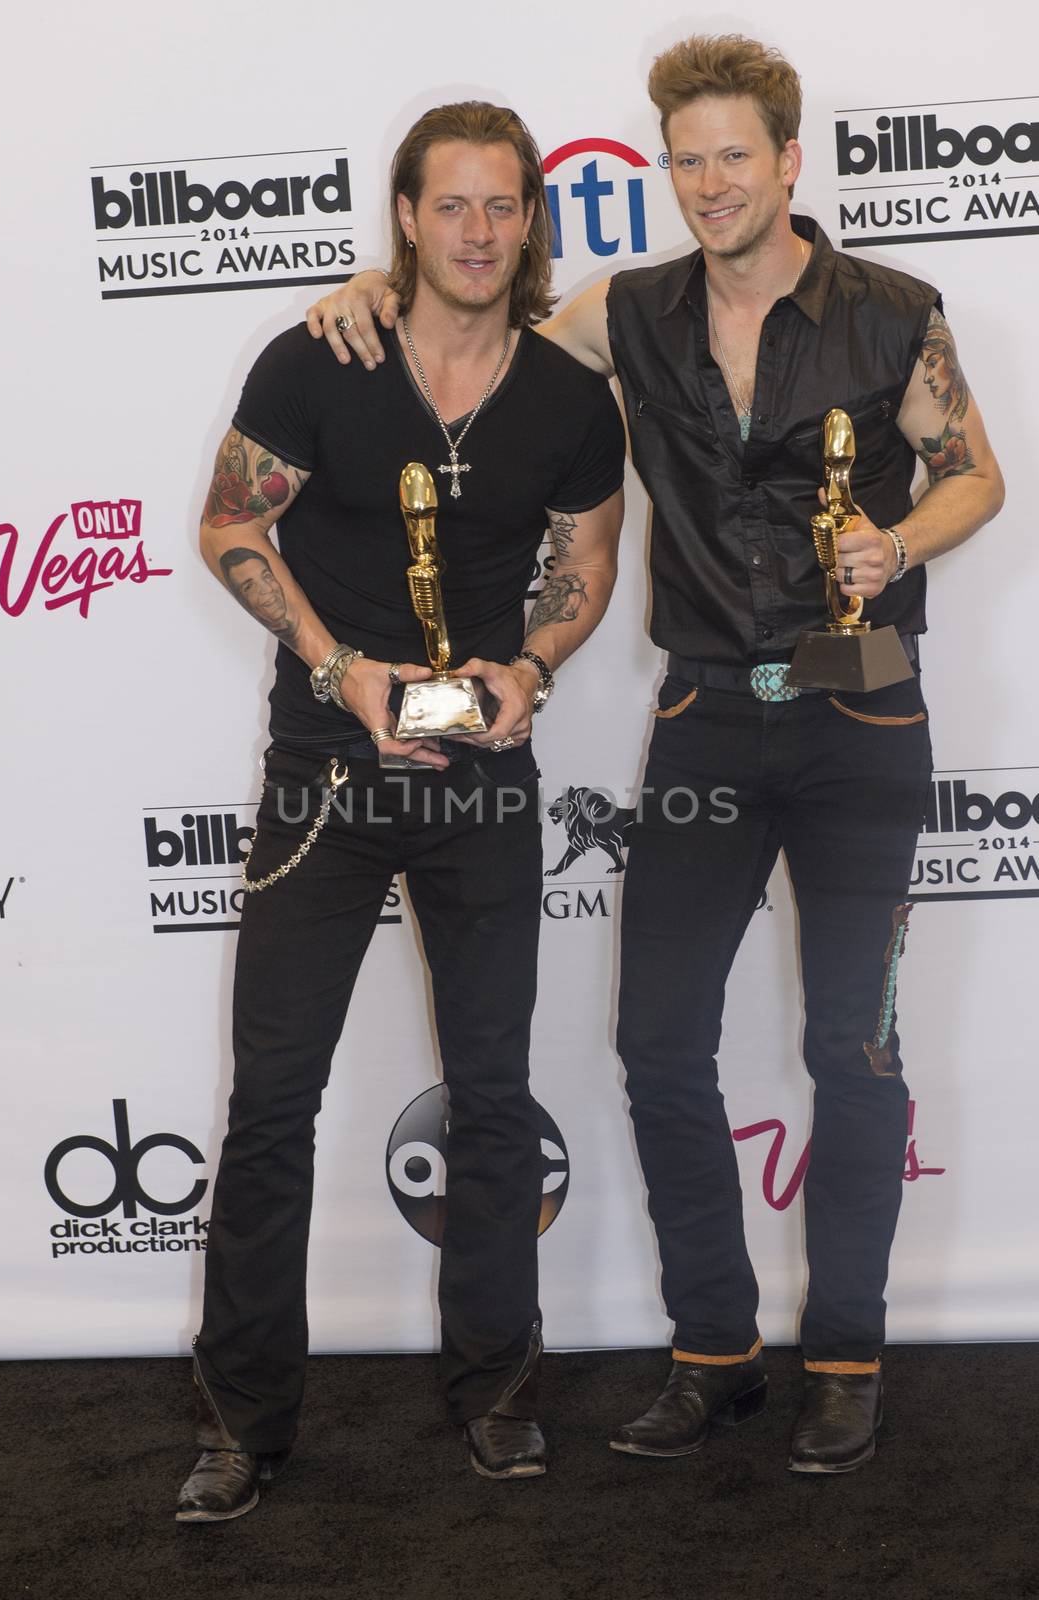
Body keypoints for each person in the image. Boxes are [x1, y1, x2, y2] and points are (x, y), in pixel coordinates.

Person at [308, 34, 1004, 1474]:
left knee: (850, 1048)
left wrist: (900, 539)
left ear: (791, 159)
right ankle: (715, 1350)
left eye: (733, 154)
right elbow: (480, 316)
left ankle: (850, 1356)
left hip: (865, 707)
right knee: (654, 1041)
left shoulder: (893, 314)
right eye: (684, 158)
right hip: (705, 709)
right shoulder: (627, 313)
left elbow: (977, 472)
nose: (708, 182)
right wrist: (383, 288)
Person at [177, 100, 625, 1522]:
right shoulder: (322, 360)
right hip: (324, 775)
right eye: (454, 206)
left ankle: (495, 1391)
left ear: (529, 222)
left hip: (484, 779)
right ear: (407, 218)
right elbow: (228, 524)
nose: (480, 232)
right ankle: (244, 1423)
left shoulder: (566, 398)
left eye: (505, 207)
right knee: (272, 1107)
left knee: (495, 1100)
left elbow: (588, 564)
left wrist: (534, 664)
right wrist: (339, 667)